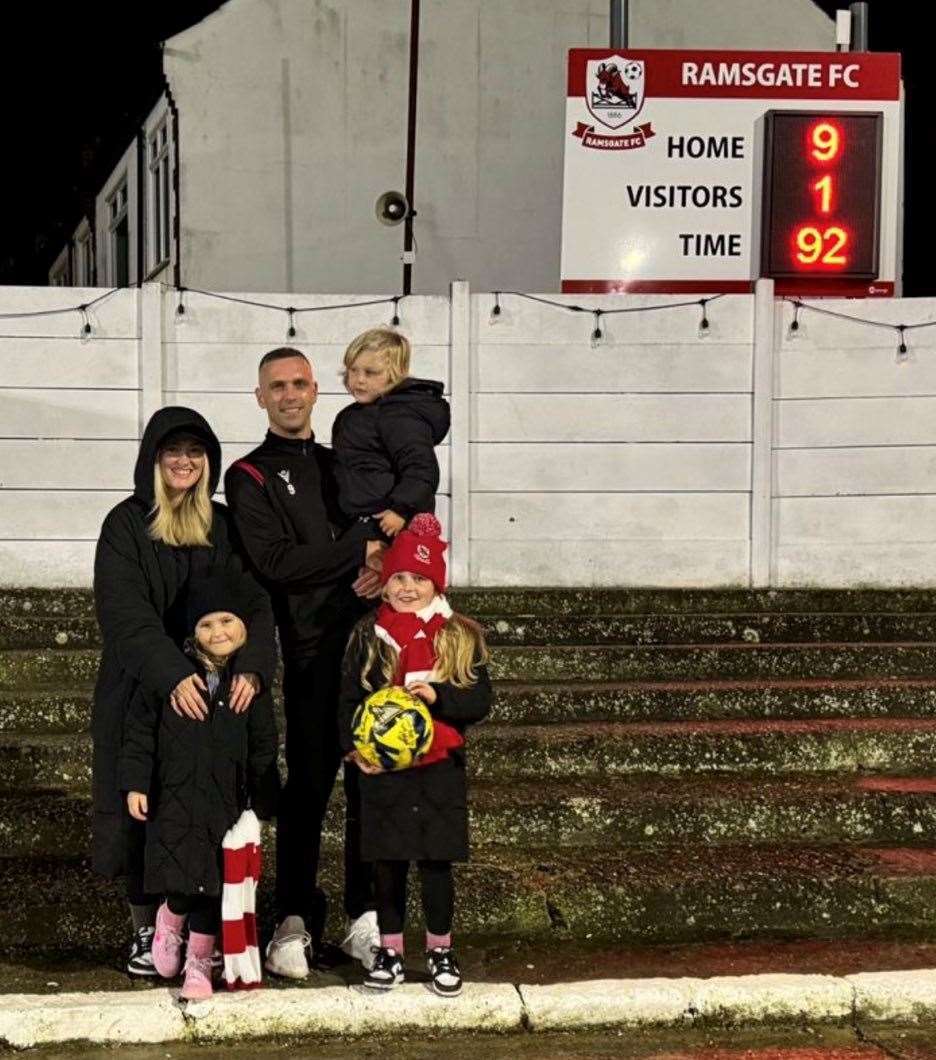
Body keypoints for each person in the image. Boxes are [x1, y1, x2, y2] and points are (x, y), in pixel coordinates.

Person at [92, 407, 276, 978]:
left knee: (203, 811)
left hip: (215, 697)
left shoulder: (222, 526)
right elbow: (124, 613)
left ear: (208, 463)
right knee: (141, 807)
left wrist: (251, 664)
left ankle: (203, 926)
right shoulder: (125, 525)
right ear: (152, 459)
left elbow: (254, 602)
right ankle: (146, 930)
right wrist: (173, 674)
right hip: (142, 686)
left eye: (196, 453)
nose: (184, 462)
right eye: (172, 451)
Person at [224, 347, 385, 979]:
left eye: (300, 383)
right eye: (277, 386)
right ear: (260, 396)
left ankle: (367, 918)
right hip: (309, 652)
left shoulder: (346, 463)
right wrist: (356, 552)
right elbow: (277, 564)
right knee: (309, 787)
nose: (290, 394)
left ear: (317, 390)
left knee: (372, 779)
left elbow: (389, 530)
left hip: (371, 649)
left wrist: (382, 559)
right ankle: (292, 917)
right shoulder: (249, 475)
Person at [339, 513, 492, 997]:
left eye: (418, 579)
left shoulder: (459, 635)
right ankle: (390, 951)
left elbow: (479, 700)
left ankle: (441, 949)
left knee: (434, 863)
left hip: (438, 770)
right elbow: (347, 698)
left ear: (436, 583)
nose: (407, 587)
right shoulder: (369, 634)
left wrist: (438, 697)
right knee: (388, 862)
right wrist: (354, 746)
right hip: (384, 771)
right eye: (398, 577)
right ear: (385, 583)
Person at [120, 571, 280, 1001]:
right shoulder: (169, 677)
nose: (218, 632)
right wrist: (136, 784)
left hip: (224, 800)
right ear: (193, 632)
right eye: (207, 624)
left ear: (243, 626)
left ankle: (198, 966)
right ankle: (169, 919)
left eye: (227, 621)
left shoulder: (248, 684)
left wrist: (263, 799)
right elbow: (139, 733)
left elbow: (264, 745)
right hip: (173, 796)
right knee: (180, 878)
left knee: (214, 883)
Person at [331, 327, 450, 539]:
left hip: (393, 523)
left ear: (395, 374)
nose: (359, 379)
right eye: (353, 370)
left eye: (370, 373)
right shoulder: (353, 415)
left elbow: (421, 468)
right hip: (359, 521)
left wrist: (401, 509)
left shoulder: (399, 416)